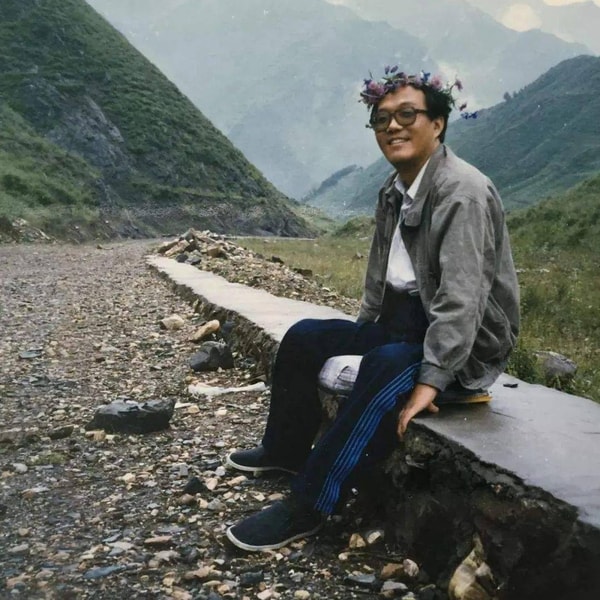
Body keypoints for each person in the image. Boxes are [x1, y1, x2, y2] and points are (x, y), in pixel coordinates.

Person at [224, 67, 520, 552]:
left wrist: (433, 378)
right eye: (381, 119)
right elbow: (381, 274)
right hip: (402, 324)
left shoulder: (462, 192)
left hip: (463, 343)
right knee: (305, 336)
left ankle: (309, 505)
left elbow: (462, 298)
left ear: (438, 124)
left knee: (383, 366)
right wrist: (361, 332)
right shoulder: (394, 188)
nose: (392, 127)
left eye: (407, 115)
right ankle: (284, 451)